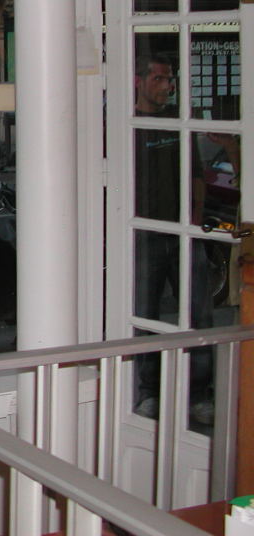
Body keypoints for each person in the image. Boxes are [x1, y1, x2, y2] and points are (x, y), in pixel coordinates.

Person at [132, 53, 214, 423]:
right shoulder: (125, 124)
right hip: (143, 232)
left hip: (182, 231)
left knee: (197, 315)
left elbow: (197, 173)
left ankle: (197, 393)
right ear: (139, 81)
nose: (167, 86)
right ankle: (148, 392)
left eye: (170, 79)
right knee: (144, 316)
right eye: (159, 79)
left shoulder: (178, 121)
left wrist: (195, 220)